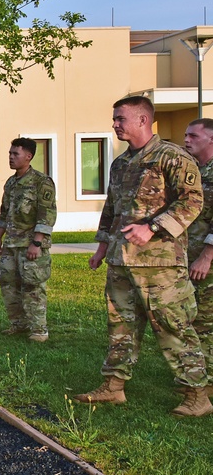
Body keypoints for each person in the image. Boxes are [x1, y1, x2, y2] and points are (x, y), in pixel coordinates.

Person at [75, 95, 210, 417]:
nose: (115, 124)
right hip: (122, 260)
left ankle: (197, 394)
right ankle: (113, 387)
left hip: (159, 263)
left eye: (120, 118)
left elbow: (193, 201)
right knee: (120, 324)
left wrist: (152, 228)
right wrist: (103, 246)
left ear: (142, 120)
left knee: (173, 326)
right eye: (114, 118)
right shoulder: (121, 162)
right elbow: (113, 207)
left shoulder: (171, 157)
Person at [0, 138, 57, 342]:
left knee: (32, 287)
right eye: (10, 154)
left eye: (15, 154)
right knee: (8, 285)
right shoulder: (11, 183)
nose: (11, 158)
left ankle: (38, 330)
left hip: (30, 244)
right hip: (11, 244)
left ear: (28, 157)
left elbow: (46, 214)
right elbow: (4, 212)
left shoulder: (41, 182)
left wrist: (36, 243)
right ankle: (18, 324)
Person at [184, 118, 213, 393]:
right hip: (187, 256)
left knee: (206, 319)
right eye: (185, 135)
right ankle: (196, 375)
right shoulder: (193, 172)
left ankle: (208, 382)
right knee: (191, 316)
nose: (187, 140)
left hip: (207, 260)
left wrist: (207, 256)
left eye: (193, 135)